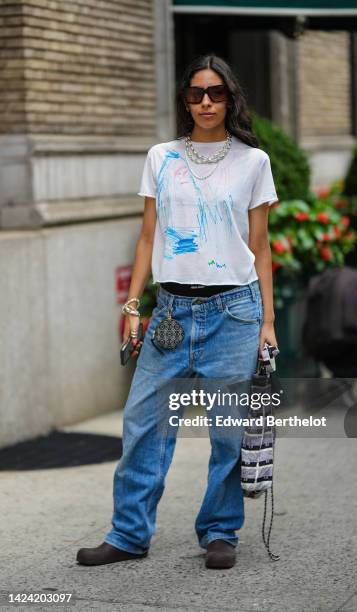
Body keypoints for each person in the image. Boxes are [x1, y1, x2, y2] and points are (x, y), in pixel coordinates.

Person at [76, 54, 279, 570]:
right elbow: (148, 236)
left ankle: (219, 532)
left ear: (230, 98)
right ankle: (128, 534)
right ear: (184, 99)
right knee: (143, 422)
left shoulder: (253, 161)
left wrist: (268, 323)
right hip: (169, 311)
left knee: (228, 429)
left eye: (215, 93)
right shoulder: (161, 157)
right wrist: (132, 306)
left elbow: (261, 247)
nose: (205, 102)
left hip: (234, 311)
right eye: (195, 93)